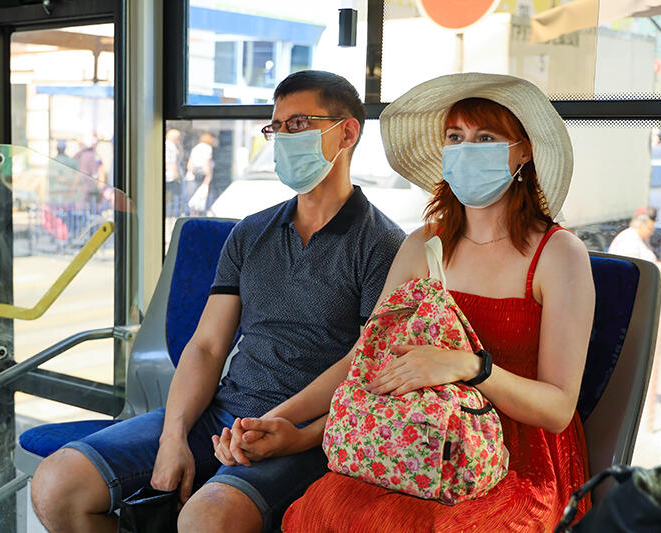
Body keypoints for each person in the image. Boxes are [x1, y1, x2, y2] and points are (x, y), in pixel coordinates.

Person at [214, 73, 596, 532]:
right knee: (320, 511)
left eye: (486, 138)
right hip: (414, 436)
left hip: (519, 460)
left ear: (524, 150)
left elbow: (557, 410)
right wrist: (286, 426)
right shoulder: (422, 245)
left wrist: (469, 367)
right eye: (455, 137)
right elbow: (366, 360)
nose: (466, 148)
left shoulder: (558, 255)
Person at [29, 69, 406, 533]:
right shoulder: (250, 233)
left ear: (346, 131)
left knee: (207, 520)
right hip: (224, 411)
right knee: (57, 485)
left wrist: (270, 425)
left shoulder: (383, 244)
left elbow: (361, 363)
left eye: (298, 125)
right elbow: (208, 345)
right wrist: (173, 435)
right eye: (276, 127)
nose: (283, 139)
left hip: (308, 430)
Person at [185, 133, 215, 215]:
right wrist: (208, 176)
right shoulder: (207, 148)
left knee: (192, 199)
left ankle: (192, 215)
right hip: (202, 177)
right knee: (201, 198)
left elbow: (189, 163)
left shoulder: (195, 148)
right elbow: (206, 162)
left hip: (191, 176)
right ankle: (200, 216)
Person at [165, 128, 183, 216]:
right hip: (171, 176)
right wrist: (176, 174)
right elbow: (172, 161)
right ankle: (173, 214)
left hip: (169, 175)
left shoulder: (168, 145)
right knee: (173, 197)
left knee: (170, 197)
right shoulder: (170, 145)